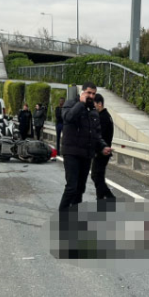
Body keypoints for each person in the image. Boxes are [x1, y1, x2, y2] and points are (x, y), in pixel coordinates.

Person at [58, 82, 111, 211]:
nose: (91, 96)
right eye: (89, 93)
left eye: (93, 93)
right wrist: (80, 104)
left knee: (80, 188)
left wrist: (103, 147)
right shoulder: (71, 104)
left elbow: (96, 134)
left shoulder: (93, 111)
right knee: (72, 187)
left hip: (86, 154)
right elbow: (68, 118)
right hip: (71, 152)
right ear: (82, 93)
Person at [90, 93, 116, 200]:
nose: (93, 107)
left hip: (103, 152)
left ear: (99, 104)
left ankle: (105, 198)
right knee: (96, 176)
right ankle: (106, 197)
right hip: (101, 151)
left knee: (97, 177)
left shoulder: (104, 117)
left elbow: (101, 136)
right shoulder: (103, 116)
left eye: (94, 104)